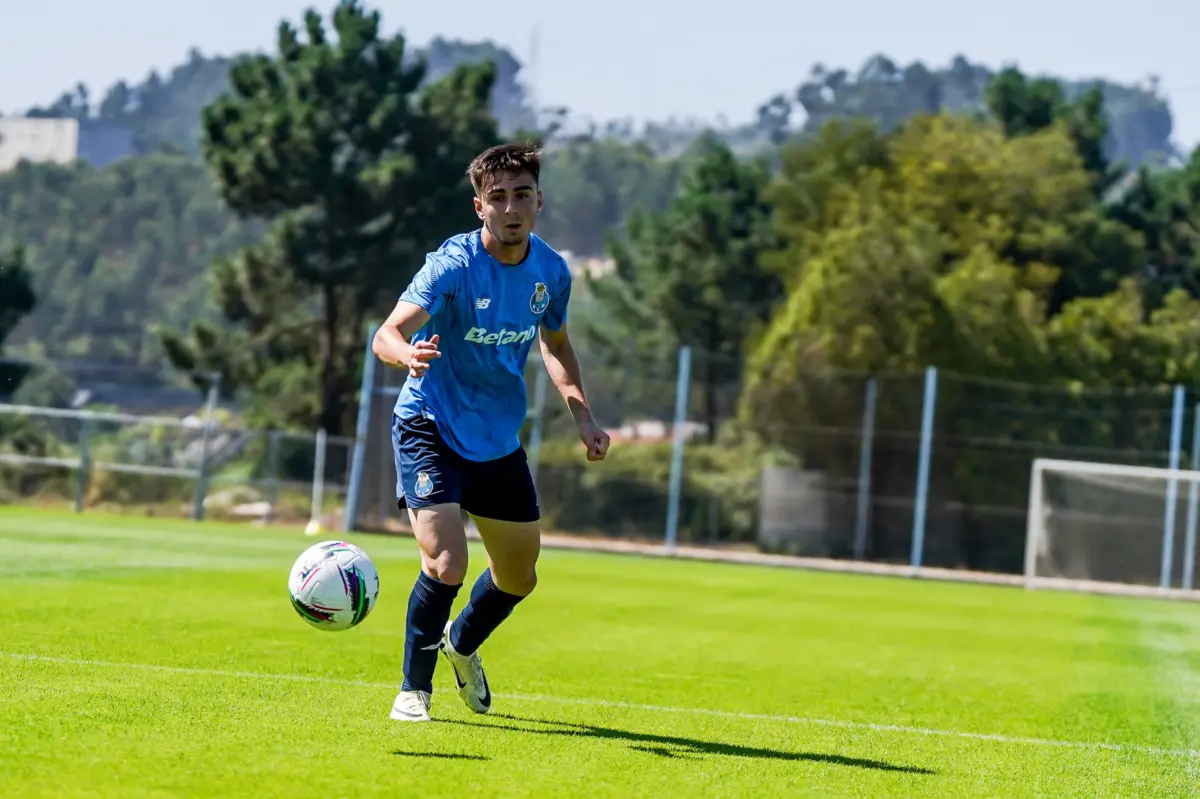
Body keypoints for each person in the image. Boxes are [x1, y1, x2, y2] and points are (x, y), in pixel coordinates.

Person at [371, 142, 610, 722]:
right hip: (430, 422)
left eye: (521, 195)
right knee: (447, 563)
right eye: (497, 197)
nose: (510, 208)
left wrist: (581, 411)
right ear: (479, 206)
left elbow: (555, 345)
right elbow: (386, 334)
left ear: (538, 201)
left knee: (519, 577)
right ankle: (413, 690)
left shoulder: (551, 272)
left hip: (498, 439)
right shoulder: (452, 265)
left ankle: (463, 642)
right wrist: (407, 354)